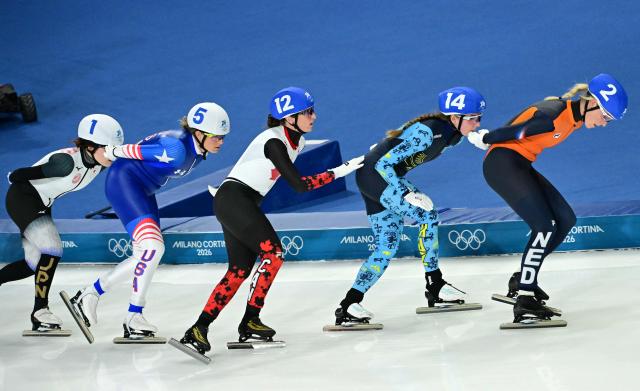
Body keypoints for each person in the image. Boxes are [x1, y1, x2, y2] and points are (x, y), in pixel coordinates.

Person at [174, 86, 364, 355]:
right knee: (273, 253)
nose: (314, 116)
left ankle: (199, 328)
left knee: (238, 271)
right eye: (307, 112)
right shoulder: (274, 141)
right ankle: (250, 320)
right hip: (235, 199)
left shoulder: (293, 139)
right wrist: (338, 172)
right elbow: (298, 185)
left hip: (237, 201)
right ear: (289, 118)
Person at [467, 73, 628, 322]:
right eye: (605, 116)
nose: (604, 123)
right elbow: (518, 131)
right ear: (593, 102)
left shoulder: (574, 117)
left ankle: (523, 279)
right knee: (543, 226)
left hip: (519, 164)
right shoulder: (554, 113)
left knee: (565, 219)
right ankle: (525, 298)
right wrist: (484, 138)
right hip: (502, 164)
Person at [66, 102, 230, 340]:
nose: (221, 142)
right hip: (125, 184)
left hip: (144, 190)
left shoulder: (197, 149)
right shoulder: (177, 148)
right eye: (217, 137)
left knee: (146, 253)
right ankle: (90, 294)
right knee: (153, 248)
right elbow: (134, 151)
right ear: (199, 133)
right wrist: (112, 151)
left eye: (223, 137)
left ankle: (133, 316)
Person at [333, 87, 486, 326]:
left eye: (479, 118)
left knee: (387, 245)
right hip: (378, 176)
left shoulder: (453, 136)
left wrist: (480, 139)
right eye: (474, 119)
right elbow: (385, 164)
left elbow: (390, 146)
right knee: (428, 215)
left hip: (376, 177)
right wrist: (406, 193)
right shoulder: (428, 133)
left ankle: (349, 303)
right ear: (455, 117)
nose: (477, 123)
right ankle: (435, 284)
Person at [1, 114, 123, 333]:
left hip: (43, 201)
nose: (112, 153)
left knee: (33, 264)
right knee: (53, 249)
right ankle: (40, 311)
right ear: (90, 146)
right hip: (23, 197)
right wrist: (12, 176)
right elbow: (21, 175)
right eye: (108, 148)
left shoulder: (99, 160)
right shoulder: (65, 163)